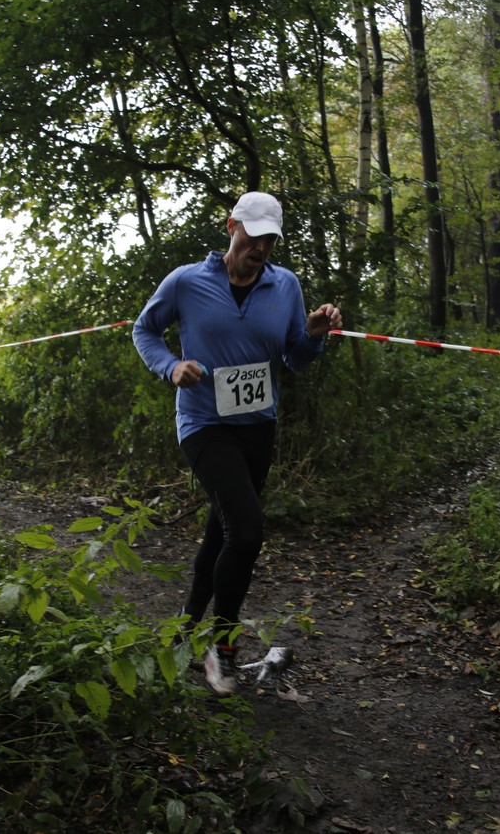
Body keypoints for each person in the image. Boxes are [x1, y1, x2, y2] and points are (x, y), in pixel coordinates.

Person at [132, 191, 342, 695]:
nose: (261, 247)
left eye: (271, 239)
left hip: (257, 428)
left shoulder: (285, 285)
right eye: (255, 236)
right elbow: (145, 330)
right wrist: (170, 366)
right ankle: (222, 649)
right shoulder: (187, 282)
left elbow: (294, 358)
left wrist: (314, 335)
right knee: (245, 532)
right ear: (232, 227)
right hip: (204, 424)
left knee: (221, 531)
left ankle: (184, 627)